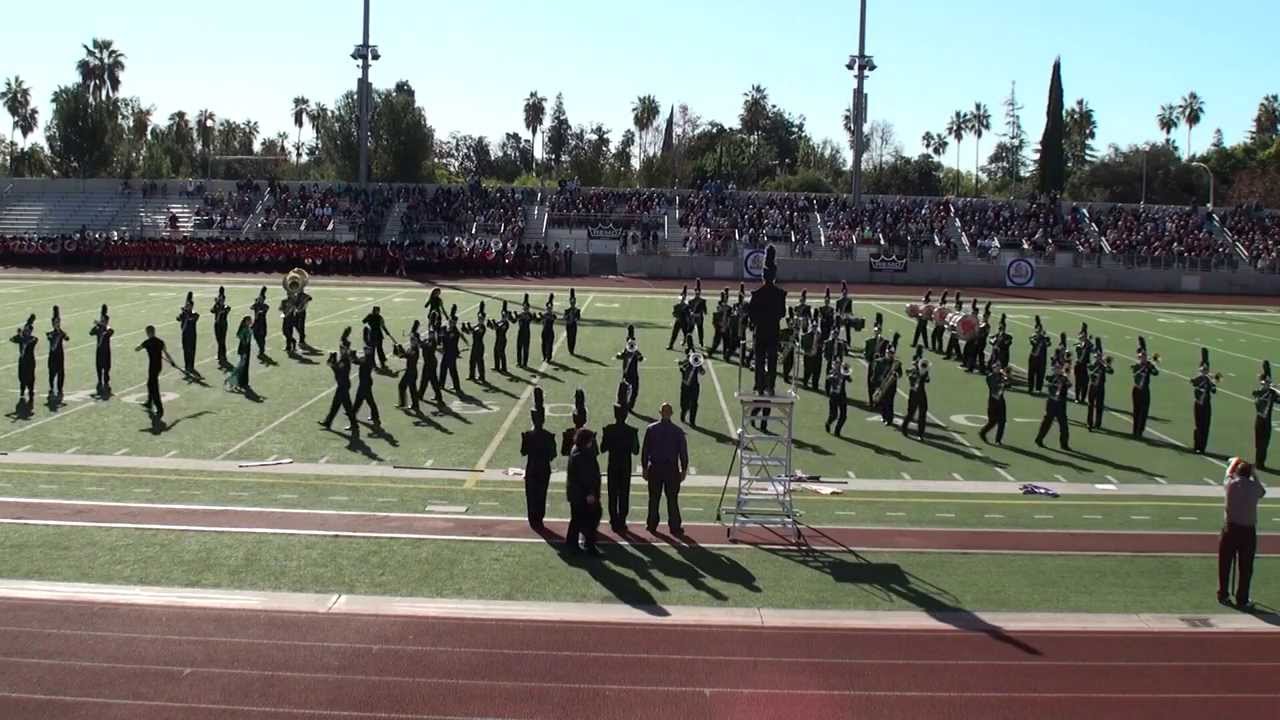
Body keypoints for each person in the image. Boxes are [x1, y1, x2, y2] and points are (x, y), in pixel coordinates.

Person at [1218, 458, 1265, 609]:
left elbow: (1228, 473)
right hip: (1248, 531)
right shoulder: (1254, 487)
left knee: (1225, 563)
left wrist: (1234, 462)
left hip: (1230, 528)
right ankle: (1242, 598)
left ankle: (1223, 594)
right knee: (1246, 567)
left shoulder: (1230, 484)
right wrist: (1255, 475)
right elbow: (1262, 491)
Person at [641, 402, 689, 535]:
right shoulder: (678, 431)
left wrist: (644, 467)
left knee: (654, 498)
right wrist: (684, 469)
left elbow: (645, 450)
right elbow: (683, 452)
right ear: (672, 413)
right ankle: (674, 526)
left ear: (660, 412)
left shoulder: (651, 429)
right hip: (671, 469)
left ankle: (651, 524)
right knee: (672, 499)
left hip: (655, 468)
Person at [520, 388, 556, 530]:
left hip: (532, 467)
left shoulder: (527, 435)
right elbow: (553, 455)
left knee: (531, 494)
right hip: (544, 468)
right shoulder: (549, 436)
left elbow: (523, 452)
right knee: (542, 494)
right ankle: (539, 518)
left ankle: (532, 518)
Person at [600, 403, 639, 531]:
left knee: (612, 494)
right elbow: (636, 450)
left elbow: (603, 448)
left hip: (613, 465)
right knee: (624, 494)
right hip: (625, 466)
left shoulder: (608, 429)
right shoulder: (632, 431)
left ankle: (614, 519)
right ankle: (622, 520)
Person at [565, 428, 603, 555]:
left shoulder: (576, 450)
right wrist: (590, 493)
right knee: (592, 517)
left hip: (576, 493)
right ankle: (589, 545)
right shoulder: (582, 454)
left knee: (577, 519)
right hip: (583, 494)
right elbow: (586, 477)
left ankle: (572, 544)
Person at [134, 325, 176, 422]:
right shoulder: (160, 342)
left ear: (148, 333)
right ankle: (149, 402)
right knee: (150, 384)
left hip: (153, 366)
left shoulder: (147, 342)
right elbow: (166, 353)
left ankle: (160, 409)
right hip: (158, 366)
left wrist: (139, 347)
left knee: (154, 387)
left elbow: (137, 349)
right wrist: (172, 362)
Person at [320, 347, 357, 436]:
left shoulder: (345, 361)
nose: (341, 351)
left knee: (347, 407)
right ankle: (328, 422)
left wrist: (333, 361)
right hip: (341, 386)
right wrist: (332, 360)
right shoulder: (342, 360)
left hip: (343, 386)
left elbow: (337, 368)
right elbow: (333, 366)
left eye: (343, 350)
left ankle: (354, 425)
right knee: (336, 405)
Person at [1036, 361, 1072, 450]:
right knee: (1046, 423)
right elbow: (1050, 385)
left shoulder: (1064, 378)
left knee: (1064, 426)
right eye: (1056, 369)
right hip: (1052, 403)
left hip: (1061, 404)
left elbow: (1069, 385)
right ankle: (1039, 439)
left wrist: (1065, 378)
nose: (1058, 370)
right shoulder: (1051, 377)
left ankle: (1064, 444)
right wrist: (1058, 382)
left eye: (1059, 369)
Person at [1131, 337, 1159, 439]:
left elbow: (1156, 373)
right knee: (1136, 411)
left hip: (1145, 391)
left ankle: (1140, 431)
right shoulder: (1135, 366)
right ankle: (1134, 430)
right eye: (1142, 356)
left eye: (1145, 356)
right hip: (1137, 390)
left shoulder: (1148, 365)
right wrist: (1145, 366)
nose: (1144, 357)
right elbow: (1136, 375)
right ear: (1139, 357)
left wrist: (1152, 366)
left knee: (1144, 412)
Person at [1190, 348, 1217, 455]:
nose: (1204, 372)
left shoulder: (1209, 380)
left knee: (1206, 427)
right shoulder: (1198, 378)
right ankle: (1196, 446)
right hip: (1198, 404)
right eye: (1203, 370)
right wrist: (1203, 377)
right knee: (1198, 426)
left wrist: (1211, 382)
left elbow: (1214, 391)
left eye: (1206, 370)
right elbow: (1192, 382)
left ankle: (1203, 448)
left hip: (1206, 405)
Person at [1253, 361, 1279, 469]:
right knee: (1262, 443)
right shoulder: (1264, 392)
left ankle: (1259, 462)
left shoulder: (1263, 391)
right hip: (1264, 421)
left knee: (1261, 443)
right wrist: (1273, 388)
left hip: (1260, 421)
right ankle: (1260, 463)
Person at [1086, 339, 1113, 432]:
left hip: (1101, 387)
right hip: (1092, 386)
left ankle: (1098, 423)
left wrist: (1105, 364)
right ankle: (1089, 423)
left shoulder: (1103, 365)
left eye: (1099, 356)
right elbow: (1090, 372)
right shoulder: (1092, 365)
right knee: (1090, 405)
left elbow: (1111, 372)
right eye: (1096, 356)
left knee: (1099, 405)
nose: (1097, 358)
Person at [902, 348, 929, 440]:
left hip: (922, 393)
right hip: (913, 393)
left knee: (923, 413)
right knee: (911, 413)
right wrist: (916, 372)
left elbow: (928, 380)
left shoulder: (924, 370)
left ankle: (920, 434)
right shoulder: (912, 370)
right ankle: (904, 428)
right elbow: (908, 374)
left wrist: (923, 373)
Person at [352, 342, 381, 428]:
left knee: (362, 399)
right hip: (365, 382)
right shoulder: (366, 358)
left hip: (365, 383)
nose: (364, 350)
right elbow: (356, 361)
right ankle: (375, 416)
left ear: (370, 351)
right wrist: (353, 356)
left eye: (366, 350)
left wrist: (353, 356)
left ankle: (352, 414)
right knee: (366, 400)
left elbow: (357, 361)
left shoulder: (368, 359)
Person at [394, 321, 422, 414]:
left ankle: (404, 404)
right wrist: (398, 350)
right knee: (411, 388)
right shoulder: (411, 348)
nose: (411, 341)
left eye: (413, 341)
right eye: (411, 340)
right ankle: (414, 405)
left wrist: (401, 349)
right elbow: (403, 355)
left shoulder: (415, 350)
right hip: (410, 371)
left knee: (403, 386)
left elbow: (409, 356)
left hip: (412, 372)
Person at [979, 362, 1010, 445]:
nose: (999, 369)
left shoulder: (1001, 375)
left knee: (1002, 421)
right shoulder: (990, 377)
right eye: (997, 367)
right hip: (993, 401)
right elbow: (996, 387)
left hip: (1000, 400)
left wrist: (1006, 376)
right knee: (992, 421)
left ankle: (998, 440)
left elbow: (1008, 385)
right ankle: (982, 433)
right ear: (993, 368)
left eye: (999, 367)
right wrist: (1004, 378)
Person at [11, 317, 37, 408]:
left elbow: (28, 341)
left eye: (27, 330)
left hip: (30, 362)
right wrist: (19, 335)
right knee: (21, 376)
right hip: (22, 361)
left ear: (30, 331)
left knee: (30, 377)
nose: (26, 332)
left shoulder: (33, 339)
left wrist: (21, 336)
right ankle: (22, 391)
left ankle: (31, 391)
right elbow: (12, 339)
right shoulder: (21, 338)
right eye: (25, 330)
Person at [616, 325, 643, 413]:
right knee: (629, 390)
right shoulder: (629, 351)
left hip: (630, 374)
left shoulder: (632, 351)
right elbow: (620, 356)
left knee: (630, 390)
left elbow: (640, 358)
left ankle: (627, 405)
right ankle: (625, 404)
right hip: (629, 374)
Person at [677, 342, 705, 426]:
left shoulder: (697, 363)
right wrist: (686, 363)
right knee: (684, 402)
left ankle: (692, 420)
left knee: (694, 403)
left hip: (694, 386)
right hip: (685, 385)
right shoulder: (686, 363)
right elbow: (681, 367)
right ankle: (684, 412)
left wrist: (699, 365)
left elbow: (703, 372)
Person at [90, 305, 113, 394]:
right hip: (99, 351)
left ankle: (106, 382)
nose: (102, 321)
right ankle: (99, 381)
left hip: (106, 352)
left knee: (107, 368)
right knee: (99, 367)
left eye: (104, 320)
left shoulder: (108, 329)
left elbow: (111, 331)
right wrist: (97, 326)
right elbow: (91, 333)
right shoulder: (99, 329)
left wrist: (101, 324)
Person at [46, 308, 68, 402]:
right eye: (55, 322)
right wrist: (58, 332)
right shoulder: (50, 333)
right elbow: (50, 338)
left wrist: (60, 331)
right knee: (51, 373)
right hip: (52, 356)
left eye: (58, 322)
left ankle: (60, 388)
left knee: (61, 373)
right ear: (52, 324)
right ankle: (51, 388)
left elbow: (67, 338)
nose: (57, 324)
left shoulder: (61, 333)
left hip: (60, 356)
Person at [177, 292, 200, 376]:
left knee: (191, 350)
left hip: (192, 335)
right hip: (184, 334)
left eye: (188, 305)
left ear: (191, 306)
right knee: (185, 350)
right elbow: (178, 319)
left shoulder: (195, 314)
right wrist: (182, 313)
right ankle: (187, 366)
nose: (187, 306)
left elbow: (192, 319)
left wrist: (186, 313)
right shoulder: (184, 313)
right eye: (186, 305)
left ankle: (191, 366)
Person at [824, 360, 850, 436]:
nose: (836, 366)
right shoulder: (831, 372)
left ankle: (837, 431)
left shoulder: (843, 372)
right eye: (835, 365)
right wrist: (834, 376)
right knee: (833, 415)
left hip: (842, 396)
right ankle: (828, 423)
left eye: (838, 365)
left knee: (843, 416)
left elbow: (850, 380)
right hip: (833, 396)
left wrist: (845, 372)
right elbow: (828, 378)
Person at [1027, 316, 1050, 394]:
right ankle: (1030, 388)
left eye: (1039, 329)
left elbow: (1048, 344)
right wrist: (1040, 337)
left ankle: (1038, 389)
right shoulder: (1032, 337)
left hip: (1041, 358)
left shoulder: (1045, 338)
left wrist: (1043, 337)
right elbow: (1033, 343)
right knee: (1031, 374)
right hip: (1033, 357)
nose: (1038, 331)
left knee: (1040, 374)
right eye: (1037, 329)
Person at [362, 306, 389, 370]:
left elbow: (363, 321)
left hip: (372, 335)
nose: (379, 312)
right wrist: (387, 332)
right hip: (377, 334)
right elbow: (383, 325)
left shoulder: (370, 316)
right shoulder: (379, 317)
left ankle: (375, 363)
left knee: (374, 349)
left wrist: (369, 324)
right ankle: (381, 362)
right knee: (379, 349)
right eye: (378, 310)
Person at [211, 287, 231, 369]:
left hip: (223, 325)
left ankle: (223, 355)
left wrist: (219, 305)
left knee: (222, 340)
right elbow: (212, 310)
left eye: (222, 299)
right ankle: (220, 355)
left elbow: (225, 310)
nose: (220, 300)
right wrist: (216, 304)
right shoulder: (217, 306)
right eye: (220, 299)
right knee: (218, 340)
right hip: (217, 324)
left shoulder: (226, 307)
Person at [488, 301, 511, 374]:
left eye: (504, 315)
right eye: (502, 315)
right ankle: (497, 367)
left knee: (501, 353)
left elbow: (499, 329)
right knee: (495, 352)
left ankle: (504, 368)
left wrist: (494, 324)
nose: (503, 316)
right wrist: (489, 324)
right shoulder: (500, 321)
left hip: (502, 339)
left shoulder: (506, 323)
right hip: (498, 339)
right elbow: (494, 328)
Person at [231, 316, 253, 392]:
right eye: (249, 320)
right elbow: (241, 337)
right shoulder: (244, 329)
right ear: (246, 321)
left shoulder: (248, 328)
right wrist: (244, 346)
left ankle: (244, 382)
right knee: (241, 367)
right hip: (244, 349)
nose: (251, 321)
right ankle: (234, 381)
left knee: (245, 366)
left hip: (247, 349)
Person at [513, 294, 533, 368]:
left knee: (525, 349)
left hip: (526, 333)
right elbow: (514, 321)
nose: (525, 308)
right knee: (519, 348)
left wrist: (521, 315)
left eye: (526, 307)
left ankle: (525, 363)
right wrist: (511, 316)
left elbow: (530, 318)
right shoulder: (520, 314)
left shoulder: (529, 315)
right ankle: (519, 362)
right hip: (520, 333)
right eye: (524, 307)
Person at [250, 287, 269, 360]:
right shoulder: (256, 305)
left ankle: (261, 350)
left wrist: (259, 310)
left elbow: (264, 310)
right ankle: (261, 348)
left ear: (263, 299)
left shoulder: (265, 306)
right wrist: (255, 302)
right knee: (255, 336)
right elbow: (251, 307)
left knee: (262, 337)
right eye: (259, 298)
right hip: (256, 323)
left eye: (261, 298)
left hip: (262, 324)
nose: (259, 299)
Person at [563, 289, 582, 356]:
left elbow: (579, 318)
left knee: (573, 337)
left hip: (574, 325)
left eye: (574, 302)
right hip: (568, 325)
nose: (573, 303)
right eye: (571, 302)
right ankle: (570, 349)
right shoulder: (567, 310)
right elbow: (564, 318)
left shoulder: (577, 310)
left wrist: (576, 319)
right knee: (569, 337)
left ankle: (572, 349)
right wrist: (568, 318)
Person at [539, 295, 556, 364]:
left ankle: (548, 357)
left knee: (549, 345)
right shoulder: (544, 314)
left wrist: (543, 316)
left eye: (550, 308)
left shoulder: (552, 315)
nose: (548, 309)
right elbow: (538, 320)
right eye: (548, 308)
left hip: (550, 332)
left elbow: (552, 318)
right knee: (543, 344)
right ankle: (544, 356)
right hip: (544, 331)